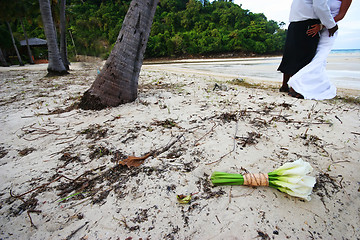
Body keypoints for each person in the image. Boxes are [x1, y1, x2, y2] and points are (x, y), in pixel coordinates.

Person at [287, 0, 352, 100]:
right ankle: (301, 86)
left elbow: (341, 15)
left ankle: (298, 85)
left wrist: (323, 26)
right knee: (310, 58)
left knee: (319, 58)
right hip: (316, 27)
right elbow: (319, 8)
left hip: (329, 29)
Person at [278, 0, 339, 94]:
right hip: (308, 23)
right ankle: (295, 88)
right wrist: (331, 25)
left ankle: (285, 85)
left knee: (290, 54)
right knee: (305, 57)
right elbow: (320, 6)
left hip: (294, 22)